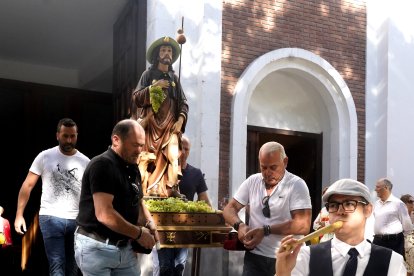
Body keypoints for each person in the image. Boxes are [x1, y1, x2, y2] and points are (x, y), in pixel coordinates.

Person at [75, 119, 158, 275]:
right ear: (116, 140)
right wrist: (139, 234)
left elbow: (138, 202)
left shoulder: (133, 167)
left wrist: (149, 222)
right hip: (96, 246)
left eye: (141, 145)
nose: (139, 150)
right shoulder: (102, 165)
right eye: (135, 145)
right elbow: (104, 214)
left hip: (124, 247)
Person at [276, 178, 407, 276]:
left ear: (368, 210)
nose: (340, 211)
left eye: (349, 204)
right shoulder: (304, 256)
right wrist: (283, 273)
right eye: (333, 205)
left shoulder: (392, 261)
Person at [223, 141, 312, 276]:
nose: (267, 173)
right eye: (263, 167)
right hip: (255, 258)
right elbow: (229, 208)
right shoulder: (253, 181)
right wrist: (240, 226)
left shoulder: (296, 185)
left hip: (288, 257)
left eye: (273, 167)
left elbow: (302, 226)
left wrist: (265, 230)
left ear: (285, 162)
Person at [14, 118, 90, 276]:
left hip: (77, 219)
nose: (69, 140)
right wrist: (19, 215)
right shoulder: (45, 156)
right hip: (50, 217)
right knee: (56, 264)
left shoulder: (85, 162)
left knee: (73, 266)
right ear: (57, 135)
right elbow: (27, 185)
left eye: (72, 136)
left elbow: (93, 194)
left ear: (77, 136)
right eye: (65, 136)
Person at [131, 36, 188, 198]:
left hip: (170, 126)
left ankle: (171, 188)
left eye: (169, 50)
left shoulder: (174, 79)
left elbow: (183, 103)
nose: (167, 53)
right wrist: (154, 87)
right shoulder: (148, 75)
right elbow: (136, 98)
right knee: (149, 157)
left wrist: (180, 120)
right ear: (157, 54)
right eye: (163, 50)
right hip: (151, 125)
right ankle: (148, 189)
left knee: (172, 156)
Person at [152, 135, 212, 276]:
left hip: (184, 228)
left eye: (187, 149)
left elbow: (205, 201)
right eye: (181, 148)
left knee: (179, 267)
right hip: (162, 228)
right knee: (162, 269)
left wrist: (212, 215)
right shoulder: (162, 171)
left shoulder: (196, 173)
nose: (183, 152)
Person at [373, 178, 413, 257]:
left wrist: (396, 238)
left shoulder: (398, 204)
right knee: (377, 267)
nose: (375, 189)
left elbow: (407, 227)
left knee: (393, 267)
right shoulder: (376, 204)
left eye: (378, 187)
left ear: (386, 188)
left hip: (394, 243)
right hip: (377, 242)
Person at [400, 194, 414, 276]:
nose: (413, 203)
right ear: (404, 204)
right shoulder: (400, 216)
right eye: (411, 201)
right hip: (402, 245)